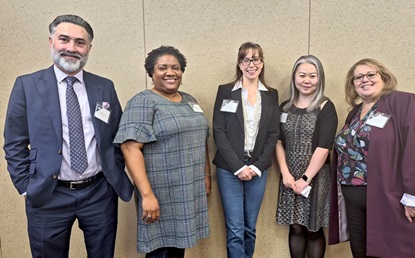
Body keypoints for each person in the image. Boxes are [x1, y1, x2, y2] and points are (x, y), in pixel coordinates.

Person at [3, 14, 133, 257]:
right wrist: (26, 186)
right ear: (51, 41)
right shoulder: (27, 85)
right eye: (64, 39)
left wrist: (111, 171)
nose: (72, 48)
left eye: (80, 42)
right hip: (48, 194)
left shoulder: (104, 86)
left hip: (98, 193)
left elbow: (117, 134)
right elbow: (14, 142)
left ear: (89, 48)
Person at [329, 58, 415, 258]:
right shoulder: (355, 114)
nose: (364, 80)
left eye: (370, 74)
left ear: (383, 77)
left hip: (385, 198)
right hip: (353, 199)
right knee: (360, 253)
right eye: (358, 77)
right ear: (353, 85)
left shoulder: (403, 102)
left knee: (390, 252)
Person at [113, 45, 210, 258]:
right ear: (151, 72)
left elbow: (201, 139)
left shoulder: (190, 100)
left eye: (176, 67)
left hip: (187, 189)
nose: (170, 72)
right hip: (160, 192)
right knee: (161, 249)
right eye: (162, 68)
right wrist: (147, 195)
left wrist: (206, 175)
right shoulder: (143, 101)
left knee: (177, 247)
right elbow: (130, 148)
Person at [212, 42, 279, 258]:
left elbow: (273, 134)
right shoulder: (225, 91)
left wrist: (257, 166)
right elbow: (219, 131)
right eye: (246, 59)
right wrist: (238, 166)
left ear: (262, 63)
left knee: (250, 228)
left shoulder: (271, 94)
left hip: (258, 169)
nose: (252, 64)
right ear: (240, 64)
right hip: (229, 169)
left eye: (256, 59)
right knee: (234, 230)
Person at [275, 55, 337, 258]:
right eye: (302, 75)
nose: (307, 80)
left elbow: (324, 147)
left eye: (312, 75)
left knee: (313, 228)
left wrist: (305, 178)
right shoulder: (284, 107)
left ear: (320, 79)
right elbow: (277, 142)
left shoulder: (325, 107)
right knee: (295, 227)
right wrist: (285, 173)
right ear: (294, 77)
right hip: (290, 175)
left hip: (315, 176)